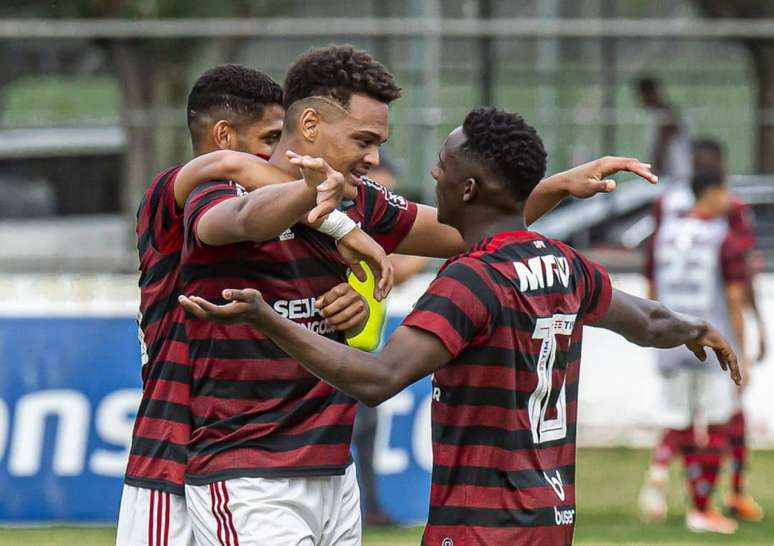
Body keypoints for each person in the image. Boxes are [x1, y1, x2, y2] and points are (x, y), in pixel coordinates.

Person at [180, 107, 740, 546]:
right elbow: (649, 320)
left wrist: (266, 318)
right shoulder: (565, 265)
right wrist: (696, 328)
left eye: (443, 167)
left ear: (468, 190)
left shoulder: (472, 280)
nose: (434, 174)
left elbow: (378, 380)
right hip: (552, 518)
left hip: (478, 524)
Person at [117, 63, 387, 546]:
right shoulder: (181, 192)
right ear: (224, 134)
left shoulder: (292, 209)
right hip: (174, 454)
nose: (278, 151)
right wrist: (342, 221)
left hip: (247, 451)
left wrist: (349, 304)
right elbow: (234, 172)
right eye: (270, 136)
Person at [639, 139, 764, 528]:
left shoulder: (666, 223)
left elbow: (651, 281)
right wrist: (744, 347)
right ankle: (710, 504)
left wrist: (656, 329)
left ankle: (663, 469)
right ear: (714, 187)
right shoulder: (725, 230)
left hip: (672, 334)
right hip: (711, 338)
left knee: (678, 419)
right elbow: (736, 291)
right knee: (719, 420)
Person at [635, 76, 692, 182]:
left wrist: (654, 171)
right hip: (672, 175)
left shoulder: (666, 114)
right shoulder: (659, 114)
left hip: (674, 176)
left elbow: (662, 145)